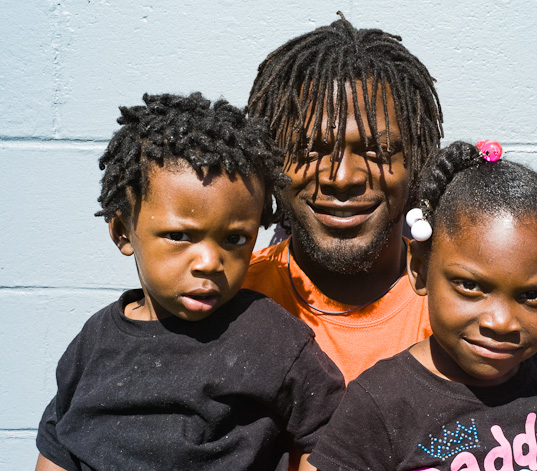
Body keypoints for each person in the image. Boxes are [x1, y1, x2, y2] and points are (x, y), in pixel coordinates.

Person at [35, 93, 345, 471]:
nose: (210, 262)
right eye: (180, 237)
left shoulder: (272, 340)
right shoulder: (95, 342)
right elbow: (57, 447)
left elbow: (333, 435)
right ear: (122, 233)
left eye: (234, 239)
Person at [308, 141, 537, 471]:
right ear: (419, 269)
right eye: (471, 286)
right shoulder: (381, 403)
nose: (501, 322)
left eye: (533, 296)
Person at [244, 13, 443, 382]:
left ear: (417, 162)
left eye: (376, 150)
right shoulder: (227, 300)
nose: (341, 177)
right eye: (308, 149)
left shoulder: (466, 311)